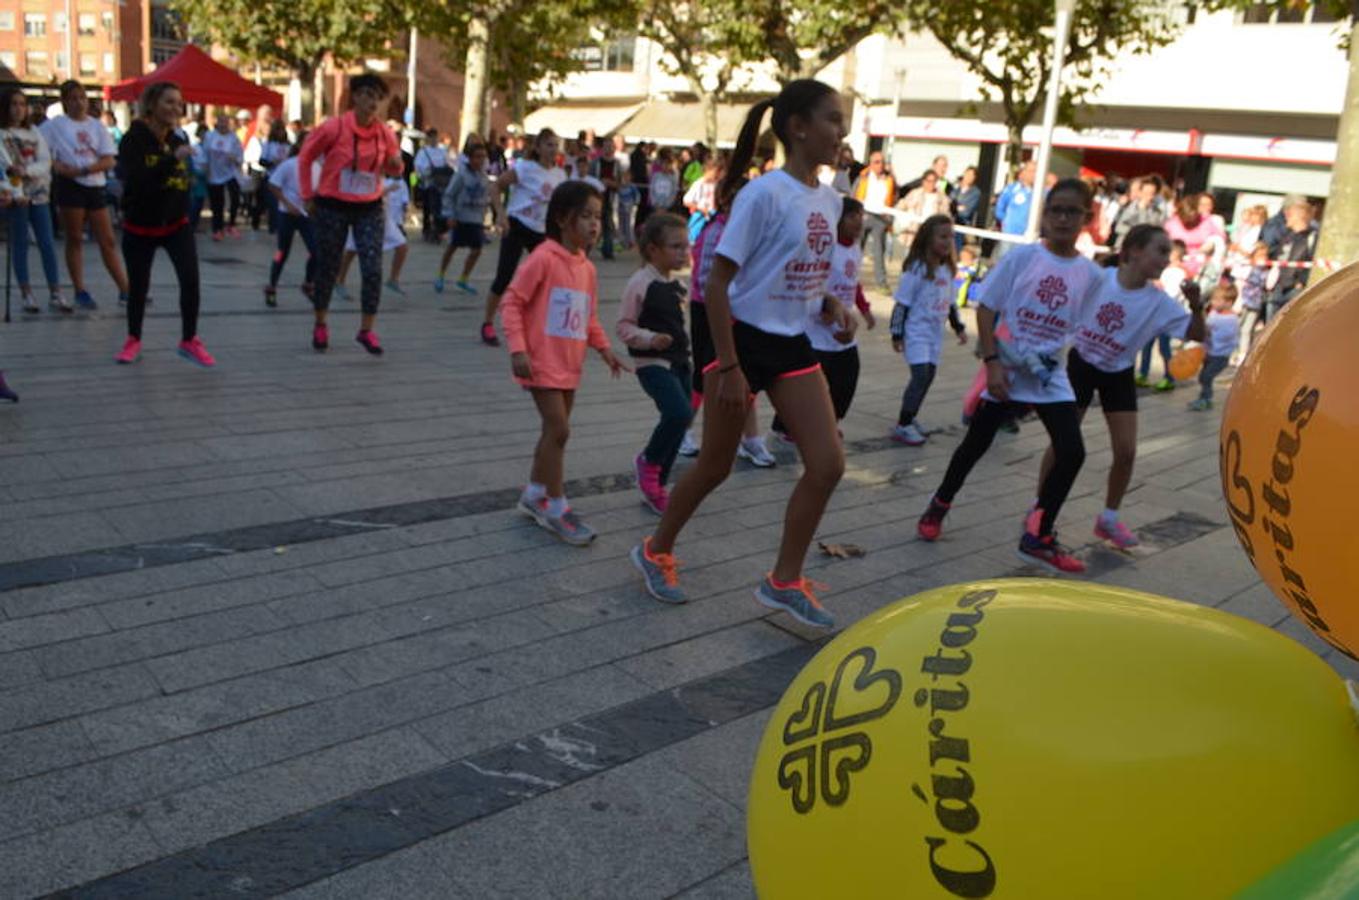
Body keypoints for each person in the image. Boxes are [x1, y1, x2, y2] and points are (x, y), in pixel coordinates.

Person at [631, 78, 854, 627]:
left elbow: (798, 273)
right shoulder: (763, 194)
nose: (842, 131)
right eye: (832, 119)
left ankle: (784, 581)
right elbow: (717, 283)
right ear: (797, 127)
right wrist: (728, 367)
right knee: (714, 466)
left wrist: (830, 304)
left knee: (828, 464)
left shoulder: (830, 200)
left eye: (843, 120)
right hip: (738, 339)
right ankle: (655, 550)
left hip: (791, 344)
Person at [917, 178, 1104, 575]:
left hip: (1049, 375)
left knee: (1072, 451)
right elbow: (986, 308)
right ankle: (940, 503)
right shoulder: (1024, 258)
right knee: (975, 444)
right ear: (1045, 215)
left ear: (1086, 218)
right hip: (1008, 367)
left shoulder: (1092, 274)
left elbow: (1086, 326)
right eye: (1057, 210)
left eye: (1073, 212)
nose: (1063, 218)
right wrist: (992, 363)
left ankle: (1038, 533)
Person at [1044, 224, 1205, 549]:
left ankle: (1109, 518)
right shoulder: (1100, 279)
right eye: (1161, 251)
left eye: (1168, 253)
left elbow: (1198, 335)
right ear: (1133, 251)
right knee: (1063, 443)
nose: (1166, 259)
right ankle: (1040, 510)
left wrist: (1197, 305)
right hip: (1081, 363)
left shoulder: (1159, 302)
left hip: (1118, 371)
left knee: (1127, 451)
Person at [502, 181, 626, 544]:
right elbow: (512, 302)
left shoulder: (587, 268)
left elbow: (588, 317)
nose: (594, 224)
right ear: (561, 218)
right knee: (559, 430)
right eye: (585, 216)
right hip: (540, 363)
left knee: (553, 432)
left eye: (598, 217)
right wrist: (518, 349)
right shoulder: (543, 257)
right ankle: (556, 506)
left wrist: (604, 349)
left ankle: (534, 493)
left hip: (570, 367)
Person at [299, 72, 404, 355]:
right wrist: (307, 194)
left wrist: (396, 164)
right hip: (332, 205)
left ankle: (366, 330)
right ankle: (320, 322)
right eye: (368, 95)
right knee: (328, 267)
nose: (373, 102)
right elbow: (306, 156)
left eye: (378, 98)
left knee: (372, 268)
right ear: (355, 97)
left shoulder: (385, 133)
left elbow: (393, 167)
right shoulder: (333, 128)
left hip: (369, 206)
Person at [678, 176, 778, 468]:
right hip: (710, 310)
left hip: (737, 312)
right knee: (704, 376)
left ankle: (750, 439)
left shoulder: (739, 228)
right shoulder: (719, 231)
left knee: (745, 376)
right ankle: (682, 430)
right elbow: (709, 280)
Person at [114, 82, 214, 368]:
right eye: (169, 102)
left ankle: (189, 340)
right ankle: (133, 339)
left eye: (179, 103)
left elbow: (181, 177)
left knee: (191, 280)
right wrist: (172, 160)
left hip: (175, 224)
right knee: (139, 287)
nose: (176, 108)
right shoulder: (133, 139)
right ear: (152, 104)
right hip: (140, 225)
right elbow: (138, 179)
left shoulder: (176, 138)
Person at [771, 197, 873, 440]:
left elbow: (853, 282)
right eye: (852, 216)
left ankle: (830, 422)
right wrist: (823, 308)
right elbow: (810, 281)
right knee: (807, 385)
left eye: (861, 216)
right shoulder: (826, 248)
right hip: (816, 330)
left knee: (846, 379)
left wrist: (864, 309)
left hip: (843, 328)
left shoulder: (855, 248)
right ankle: (785, 426)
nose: (858, 222)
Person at [617, 213, 693, 514]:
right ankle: (648, 462)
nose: (683, 252)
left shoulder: (676, 283)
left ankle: (657, 485)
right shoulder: (640, 283)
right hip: (652, 363)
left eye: (685, 246)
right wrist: (649, 339)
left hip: (679, 361)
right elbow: (624, 326)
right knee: (678, 412)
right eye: (676, 247)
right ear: (653, 249)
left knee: (682, 419)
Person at [40, 80, 129, 310]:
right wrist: (58, 167)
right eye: (73, 98)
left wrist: (86, 170)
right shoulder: (54, 126)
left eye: (82, 98)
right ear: (64, 102)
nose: (79, 103)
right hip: (70, 186)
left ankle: (124, 288)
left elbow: (109, 159)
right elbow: (43, 153)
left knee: (107, 239)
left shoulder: (97, 126)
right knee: (75, 238)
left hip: (94, 184)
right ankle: (80, 290)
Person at [481, 129, 565, 346]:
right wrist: (500, 214)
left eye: (555, 145)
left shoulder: (560, 175)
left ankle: (536, 324)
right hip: (518, 225)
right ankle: (488, 322)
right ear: (537, 148)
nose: (553, 149)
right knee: (504, 276)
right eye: (548, 145)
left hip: (542, 231)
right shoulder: (525, 168)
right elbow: (495, 186)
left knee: (546, 278)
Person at [890, 214, 967, 446]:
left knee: (929, 376)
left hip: (935, 333)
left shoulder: (946, 270)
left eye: (950, 237)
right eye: (942, 237)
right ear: (928, 238)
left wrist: (958, 327)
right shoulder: (917, 269)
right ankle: (903, 424)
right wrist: (897, 333)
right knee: (920, 375)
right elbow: (902, 303)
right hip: (917, 331)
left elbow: (950, 303)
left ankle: (911, 415)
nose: (947, 242)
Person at [1, 88, 66, 313]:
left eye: (22, 104)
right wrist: (14, 192)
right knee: (20, 244)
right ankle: (26, 292)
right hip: (16, 197)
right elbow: (5, 166)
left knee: (47, 243)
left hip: (38, 195)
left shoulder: (34, 132)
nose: (18, 109)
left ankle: (55, 291)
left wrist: (27, 171)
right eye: (13, 104)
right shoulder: (2, 134)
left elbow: (45, 161)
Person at [436, 141, 503, 295]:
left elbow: (486, 196)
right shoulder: (461, 175)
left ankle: (463, 278)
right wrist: (449, 214)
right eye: (477, 157)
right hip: (460, 217)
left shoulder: (483, 176)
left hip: (476, 219)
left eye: (483, 157)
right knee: (452, 247)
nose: (480, 160)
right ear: (470, 158)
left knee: (477, 250)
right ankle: (441, 274)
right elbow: (449, 195)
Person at [264, 137, 317, 307]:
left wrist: (313, 204)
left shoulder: (317, 167)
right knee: (282, 252)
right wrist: (287, 204)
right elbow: (273, 185)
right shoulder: (289, 164)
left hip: (306, 215)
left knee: (316, 251)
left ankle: (308, 283)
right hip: (287, 214)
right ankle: (271, 287)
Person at [1136, 239, 1186, 390]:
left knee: (1164, 348)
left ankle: (1169, 377)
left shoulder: (1179, 273)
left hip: (1166, 318)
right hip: (1154, 315)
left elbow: (1171, 294)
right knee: (1147, 345)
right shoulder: (1164, 271)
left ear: (1177, 258)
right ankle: (1143, 373)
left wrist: (1157, 286)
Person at [1188, 284, 1240, 411]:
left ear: (1229, 302)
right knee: (1204, 376)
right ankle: (1204, 398)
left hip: (1220, 355)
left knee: (1206, 377)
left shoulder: (1230, 319)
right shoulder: (1214, 313)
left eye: (1217, 300)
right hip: (1209, 352)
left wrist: (1207, 331)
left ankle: (1206, 399)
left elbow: (1224, 336)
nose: (1213, 302)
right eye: (1212, 299)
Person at [1266, 198, 1317, 320]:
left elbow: (1312, 261)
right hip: (1277, 286)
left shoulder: (1311, 237)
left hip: (1294, 288)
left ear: (1300, 216)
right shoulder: (1286, 235)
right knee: (1270, 324)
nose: (1286, 218)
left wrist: (1301, 281)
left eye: (1290, 215)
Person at [852, 151, 896, 289]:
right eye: (876, 162)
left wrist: (889, 219)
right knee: (856, 249)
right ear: (870, 164)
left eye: (882, 162)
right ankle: (851, 277)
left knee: (879, 252)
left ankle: (881, 283)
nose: (880, 165)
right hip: (863, 215)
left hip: (881, 219)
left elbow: (894, 198)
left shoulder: (889, 180)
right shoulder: (862, 178)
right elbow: (854, 195)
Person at [202, 114, 244, 241]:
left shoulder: (233, 138)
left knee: (235, 197)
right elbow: (204, 153)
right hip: (214, 173)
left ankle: (231, 224)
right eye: (221, 122)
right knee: (217, 203)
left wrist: (235, 159)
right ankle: (217, 229)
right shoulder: (210, 136)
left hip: (230, 173)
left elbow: (240, 156)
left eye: (226, 122)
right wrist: (205, 169)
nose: (223, 125)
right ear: (217, 123)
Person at [1232, 242, 1269, 365]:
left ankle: (1243, 356)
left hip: (1255, 304)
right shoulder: (1246, 268)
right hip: (1242, 302)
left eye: (1264, 256)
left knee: (1247, 330)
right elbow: (1239, 283)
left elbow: (1267, 284)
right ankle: (1233, 353)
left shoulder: (1266, 271)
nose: (1262, 258)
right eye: (1259, 255)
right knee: (1237, 328)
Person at [894, 167, 949, 250]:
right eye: (929, 181)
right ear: (923, 181)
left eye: (934, 181)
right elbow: (901, 206)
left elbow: (946, 215)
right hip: (913, 233)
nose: (931, 184)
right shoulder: (915, 193)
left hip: (931, 234)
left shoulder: (942, 198)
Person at [992, 160, 1036, 261]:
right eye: (1031, 171)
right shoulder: (1011, 189)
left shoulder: (1040, 192)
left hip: (1029, 237)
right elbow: (999, 209)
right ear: (1023, 172)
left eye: (1035, 171)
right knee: (1005, 262)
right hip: (1010, 236)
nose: (1034, 174)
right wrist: (1007, 222)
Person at [414, 128, 452, 242]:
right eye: (431, 137)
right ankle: (427, 229)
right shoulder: (423, 152)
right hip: (428, 183)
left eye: (435, 137)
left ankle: (438, 230)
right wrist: (425, 173)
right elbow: (418, 167)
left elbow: (448, 163)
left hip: (441, 184)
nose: (433, 139)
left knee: (438, 207)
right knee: (428, 208)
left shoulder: (442, 151)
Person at [1110, 175, 1165, 250]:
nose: (1147, 196)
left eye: (1150, 193)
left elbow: (1150, 232)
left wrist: (1142, 210)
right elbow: (1118, 227)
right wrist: (1134, 231)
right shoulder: (1129, 207)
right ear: (1139, 193)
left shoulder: (1156, 213)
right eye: (1145, 192)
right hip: (1124, 247)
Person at [952, 165, 981, 248]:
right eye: (968, 174)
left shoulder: (975, 193)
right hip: (950, 223)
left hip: (962, 227)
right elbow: (949, 203)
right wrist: (958, 207)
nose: (969, 177)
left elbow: (966, 213)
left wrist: (955, 207)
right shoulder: (955, 189)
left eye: (972, 175)